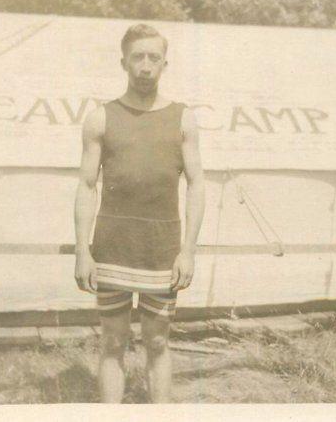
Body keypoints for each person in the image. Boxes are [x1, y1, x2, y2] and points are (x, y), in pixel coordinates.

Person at [74, 23, 206, 403]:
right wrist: (84, 250)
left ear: (165, 63)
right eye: (137, 57)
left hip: (161, 247)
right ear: (123, 62)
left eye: (153, 57)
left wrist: (188, 250)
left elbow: (197, 184)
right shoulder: (100, 117)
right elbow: (86, 186)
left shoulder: (183, 118)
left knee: (158, 340)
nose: (145, 66)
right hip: (112, 246)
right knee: (113, 341)